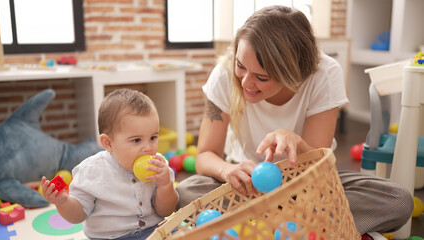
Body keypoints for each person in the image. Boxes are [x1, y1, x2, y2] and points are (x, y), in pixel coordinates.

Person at [175, 5, 413, 235]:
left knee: (397, 201)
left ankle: (253, 226)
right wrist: (228, 170)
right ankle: (295, 226)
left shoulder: (325, 73)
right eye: (241, 66)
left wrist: (298, 143)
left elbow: (317, 166)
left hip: (306, 185)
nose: (246, 82)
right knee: (186, 192)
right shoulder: (224, 74)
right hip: (245, 187)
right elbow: (205, 155)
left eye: (261, 77)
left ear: (294, 75)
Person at [41, 88, 179, 240]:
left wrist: (165, 185)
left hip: (154, 231)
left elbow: (165, 211)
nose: (148, 147)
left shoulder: (159, 166)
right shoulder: (92, 171)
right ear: (108, 143)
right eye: (137, 140)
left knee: (182, 233)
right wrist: (62, 202)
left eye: (153, 137)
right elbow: (78, 216)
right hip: (111, 237)